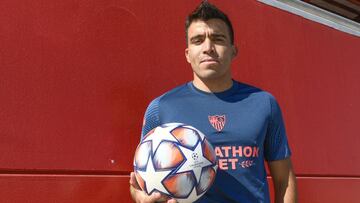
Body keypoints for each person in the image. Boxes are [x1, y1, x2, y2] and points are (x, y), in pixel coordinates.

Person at [130, 1, 297, 202]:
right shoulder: (161, 108)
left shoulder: (264, 104)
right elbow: (141, 182)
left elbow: (284, 179)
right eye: (198, 40)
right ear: (187, 54)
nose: (208, 48)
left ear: (233, 50)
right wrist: (140, 198)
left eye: (218, 39)